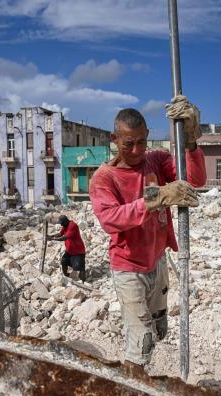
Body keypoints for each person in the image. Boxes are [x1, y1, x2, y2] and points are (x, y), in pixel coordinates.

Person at [89, 98, 206, 366]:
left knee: (158, 331)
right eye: (128, 143)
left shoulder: (155, 161)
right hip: (129, 269)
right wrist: (159, 198)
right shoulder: (105, 178)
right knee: (141, 342)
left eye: (141, 141)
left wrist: (190, 140)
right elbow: (110, 219)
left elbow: (195, 179)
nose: (136, 149)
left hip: (157, 262)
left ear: (148, 136)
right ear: (114, 139)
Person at [49, 215, 87, 282]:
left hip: (78, 251)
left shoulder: (72, 225)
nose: (60, 224)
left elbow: (65, 237)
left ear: (65, 221)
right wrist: (51, 236)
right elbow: (60, 234)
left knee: (80, 267)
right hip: (69, 250)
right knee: (64, 262)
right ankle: (67, 277)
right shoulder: (65, 226)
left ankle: (83, 281)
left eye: (61, 222)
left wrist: (53, 239)